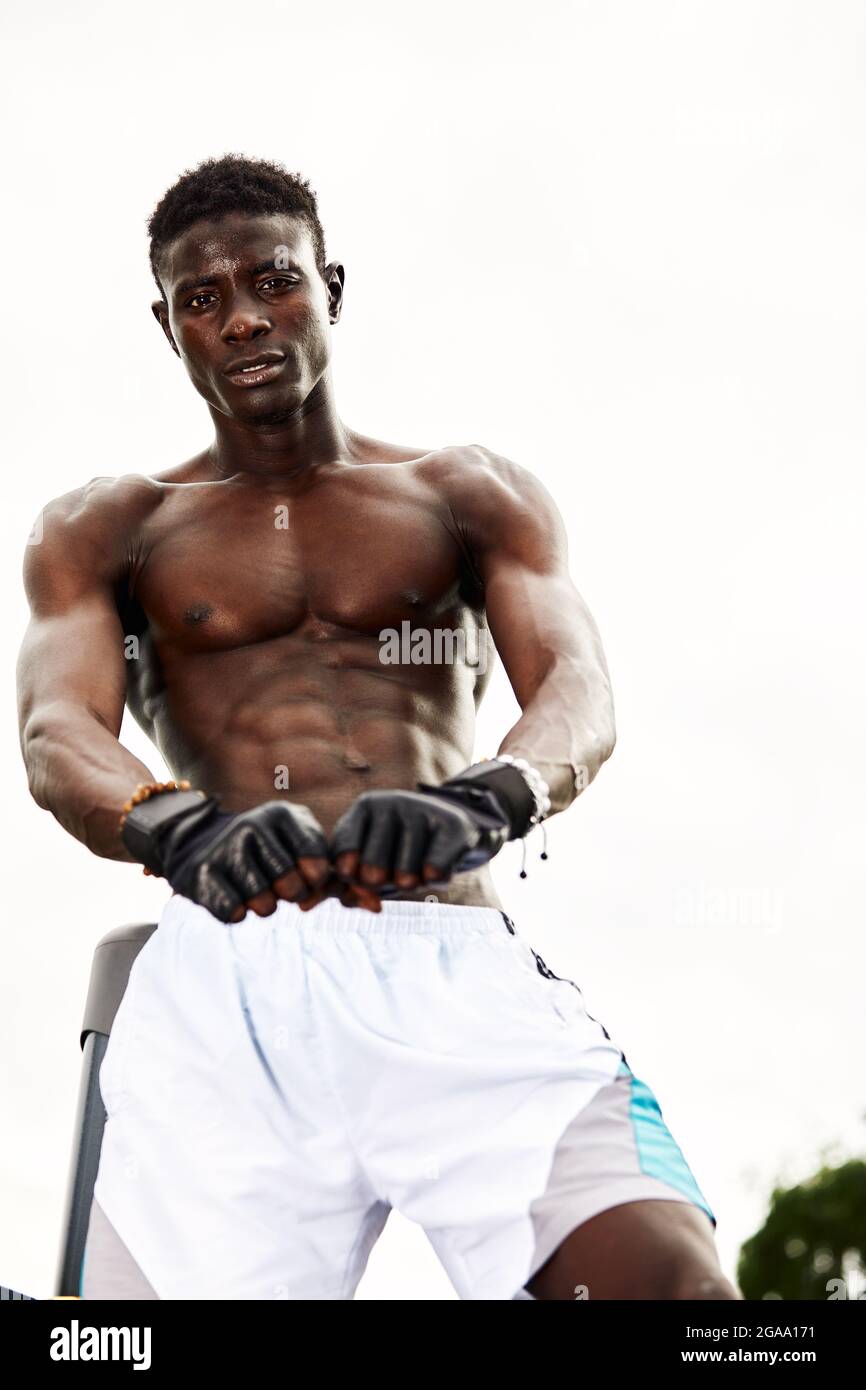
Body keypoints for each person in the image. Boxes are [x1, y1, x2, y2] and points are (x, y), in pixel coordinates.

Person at [17, 155, 738, 1301]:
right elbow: (58, 732)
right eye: (202, 298)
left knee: (676, 1297)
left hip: (448, 962)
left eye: (273, 279)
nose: (244, 315)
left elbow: (576, 687)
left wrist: (491, 796)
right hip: (224, 993)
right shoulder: (109, 527)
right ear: (168, 326)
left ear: (330, 286)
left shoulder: (465, 489)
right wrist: (169, 825)